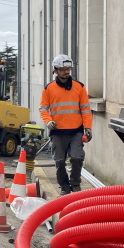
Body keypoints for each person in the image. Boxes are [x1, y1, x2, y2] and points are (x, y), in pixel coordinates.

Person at [39, 54, 92, 194]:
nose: (66, 72)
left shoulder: (79, 87)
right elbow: (43, 108)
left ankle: (75, 183)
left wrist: (88, 127)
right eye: (62, 69)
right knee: (60, 162)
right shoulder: (48, 89)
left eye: (68, 68)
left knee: (77, 157)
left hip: (76, 130)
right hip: (58, 132)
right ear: (55, 70)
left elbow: (86, 109)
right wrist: (48, 121)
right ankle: (64, 187)